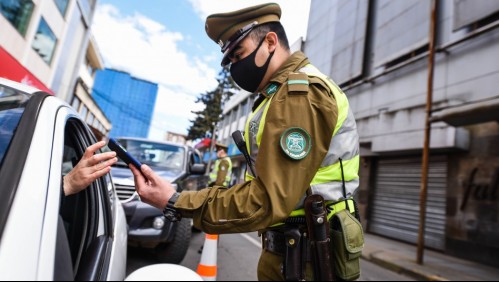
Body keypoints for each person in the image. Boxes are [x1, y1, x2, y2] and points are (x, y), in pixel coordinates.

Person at [129, 3, 360, 280]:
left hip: (306, 260)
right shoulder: (277, 95)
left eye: (239, 54)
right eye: (230, 61)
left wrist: (175, 200)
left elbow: (265, 200)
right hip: (293, 253)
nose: (235, 67)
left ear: (270, 42)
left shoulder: (299, 94)